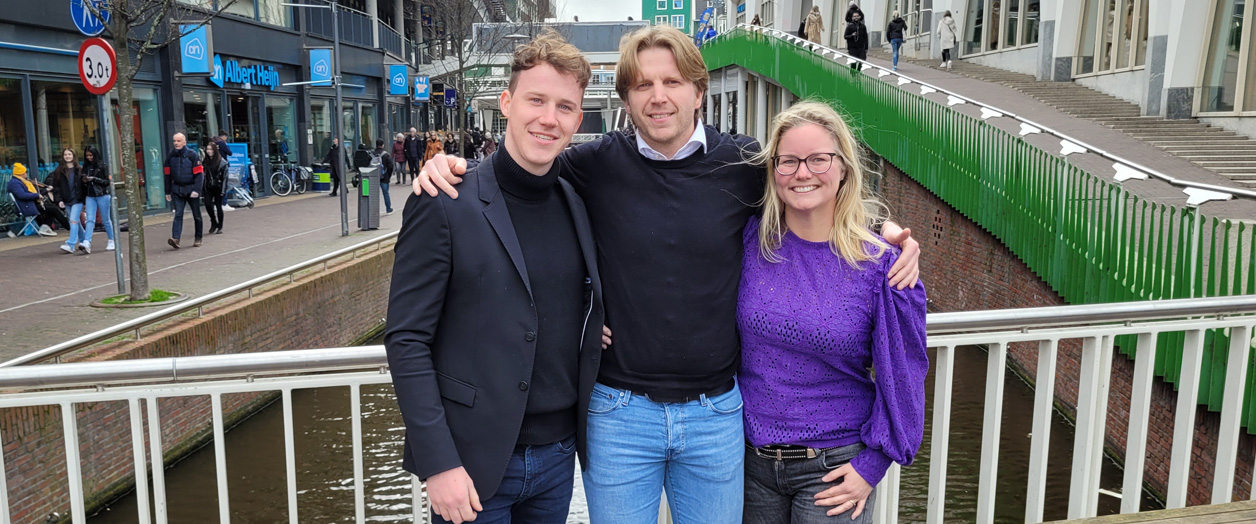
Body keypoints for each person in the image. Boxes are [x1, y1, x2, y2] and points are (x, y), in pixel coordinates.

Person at [413, 25, 922, 524]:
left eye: (672, 82)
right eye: (643, 85)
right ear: (627, 100)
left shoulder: (743, 164)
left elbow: (808, 188)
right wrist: (452, 167)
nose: (658, 97)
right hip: (619, 414)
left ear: (699, 92)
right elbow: (521, 171)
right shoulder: (594, 164)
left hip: (716, 415)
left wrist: (886, 233)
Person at [386, 30, 606, 524]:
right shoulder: (444, 200)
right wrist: (438, 463)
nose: (549, 118)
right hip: (471, 462)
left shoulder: (576, 203)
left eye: (565, 107)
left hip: (557, 460)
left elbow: (563, 300)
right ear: (507, 103)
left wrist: (595, 328)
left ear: (578, 120)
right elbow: (406, 339)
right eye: (536, 100)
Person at [740, 101, 927, 524]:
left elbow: (904, 377)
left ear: (843, 168)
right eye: (788, 161)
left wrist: (872, 466)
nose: (802, 173)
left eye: (818, 159)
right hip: (749, 465)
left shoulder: (882, 266)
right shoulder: (750, 241)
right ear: (773, 170)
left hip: (834, 469)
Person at [164, 132, 204, 249]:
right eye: (174, 141)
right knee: (178, 214)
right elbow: (167, 174)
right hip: (177, 189)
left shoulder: (192, 155)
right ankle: (175, 238)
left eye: (178, 141)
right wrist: (167, 191)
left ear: (184, 142)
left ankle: (198, 238)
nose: (176, 143)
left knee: (196, 215)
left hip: (191, 189)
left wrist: (196, 190)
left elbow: (199, 174)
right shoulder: (170, 155)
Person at [5, 163, 58, 238]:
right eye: (25, 172)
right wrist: (37, 195)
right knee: (52, 209)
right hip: (26, 206)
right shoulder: (15, 183)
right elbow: (22, 195)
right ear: (21, 173)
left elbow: (31, 192)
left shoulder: (22, 181)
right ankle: (46, 227)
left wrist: (41, 191)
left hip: (29, 204)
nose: (26, 174)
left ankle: (45, 227)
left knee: (51, 208)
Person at [49, 148, 86, 254]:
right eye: (65, 154)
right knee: (75, 221)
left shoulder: (80, 170)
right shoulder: (59, 171)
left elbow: (84, 187)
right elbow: (56, 187)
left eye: (69, 154)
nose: (67, 156)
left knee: (72, 221)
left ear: (73, 156)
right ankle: (84, 241)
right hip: (66, 201)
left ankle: (71, 244)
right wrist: (59, 200)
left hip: (77, 200)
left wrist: (84, 201)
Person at [81, 146, 116, 252]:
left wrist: (94, 179)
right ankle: (87, 241)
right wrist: (84, 180)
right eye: (87, 156)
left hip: (102, 194)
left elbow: (107, 182)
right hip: (90, 195)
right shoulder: (85, 166)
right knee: (90, 219)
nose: (89, 157)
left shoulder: (103, 166)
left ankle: (111, 240)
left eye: (90, 155)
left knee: (106, 219)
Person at [202, 141, 229, 235]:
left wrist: (223, 190)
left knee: (218, 206)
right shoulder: (205, 162)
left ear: (215, 150)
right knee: (208, 204)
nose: (209, 151)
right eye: (207, 149)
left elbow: (225, 177)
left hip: (218, 186)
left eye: (211, 149)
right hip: (209, 186)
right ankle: (213, 221)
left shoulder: (222, 162)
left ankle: (220, 226)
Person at [371, 138, 397, 214]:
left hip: (374, 176)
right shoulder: (386, 154)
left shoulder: (372, 154)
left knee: (373, 194)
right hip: (384, 177)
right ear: (383, 145)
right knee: (385, 193)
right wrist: (388, 175)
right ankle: (388, 208)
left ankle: (373, 210)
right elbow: (391, 166)